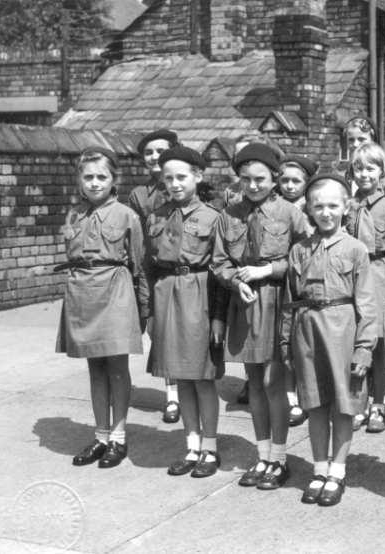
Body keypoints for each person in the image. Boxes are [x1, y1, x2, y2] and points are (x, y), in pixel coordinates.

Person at [214, 143, 309, 490]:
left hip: (277, 301)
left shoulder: (289, 213)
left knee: (274, 383)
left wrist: (269, 268)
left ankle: (280, 459)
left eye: (260, 179)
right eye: (245, 179)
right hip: (245, 303)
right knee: (253, 383)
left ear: (274, 179)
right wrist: (233, 282)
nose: (252, 186)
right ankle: (262, 455)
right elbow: (220, 261)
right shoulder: (230, 214)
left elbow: (305, 256)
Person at [280, 173, 377, 506]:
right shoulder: (299, 249)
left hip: (342, 330)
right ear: (308, 209)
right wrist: (285, 344)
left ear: (345, 207)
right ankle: (319, 469)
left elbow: (367, 303)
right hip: (306, 332)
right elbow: (289, 301)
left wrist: (365, 348)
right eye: (318, 206)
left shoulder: (356, 249)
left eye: (333, 205)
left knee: (343, 405)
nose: (325, 212)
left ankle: (337, 470)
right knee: (315, 403)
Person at [57, 147, 147, 468]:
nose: (95, 183)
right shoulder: (73, 216)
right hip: (83, 296)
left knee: (117, 369)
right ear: (79, 180)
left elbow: (139, 267)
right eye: (88, 177)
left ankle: (119, 438)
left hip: (115, 293)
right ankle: (101, 435)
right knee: (95, 369)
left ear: (113, 180)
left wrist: (143, 311)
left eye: (101, 177)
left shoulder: (127, 215)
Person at [145, 146, 227, 478]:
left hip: (200, 296)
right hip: (168, 297)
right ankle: (191, 445)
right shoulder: (156, 216)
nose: (175, 183)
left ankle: (210, 447)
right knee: (180, 378)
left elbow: (222, 270)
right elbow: (149, 267)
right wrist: (151, 311)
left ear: (198, 176)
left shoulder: (214, 217)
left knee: (203, 378)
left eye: (182, 176)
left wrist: (219, 316)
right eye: (169, 178)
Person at [351, 143, 385, 433]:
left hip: (381, 275)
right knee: (358, 341)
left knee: (381, 344)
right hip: (353, 275)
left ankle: (379, 405)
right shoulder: (348, 204)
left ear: (382, 171)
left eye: (370, 168)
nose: (364, 174)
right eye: (358, 168)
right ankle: (358, 404)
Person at [128, 128, 182, 424]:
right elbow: (138, 240)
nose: (154, 157)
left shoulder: (187, 187)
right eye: (148, 152)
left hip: (186, 272)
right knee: (157, 331)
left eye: (160, 151)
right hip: (154, 271)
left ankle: (193, 391)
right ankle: (172, 396)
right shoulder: (139, 195)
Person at [276, 155, 318, 426]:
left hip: (303, 279)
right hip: (279, 281)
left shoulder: (311, 208)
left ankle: (305, 397)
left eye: (296, 181)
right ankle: (289, 397)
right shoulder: (275, 207)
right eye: (285, 180)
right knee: (282, 340)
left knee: (302, 343)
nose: (290, 186)